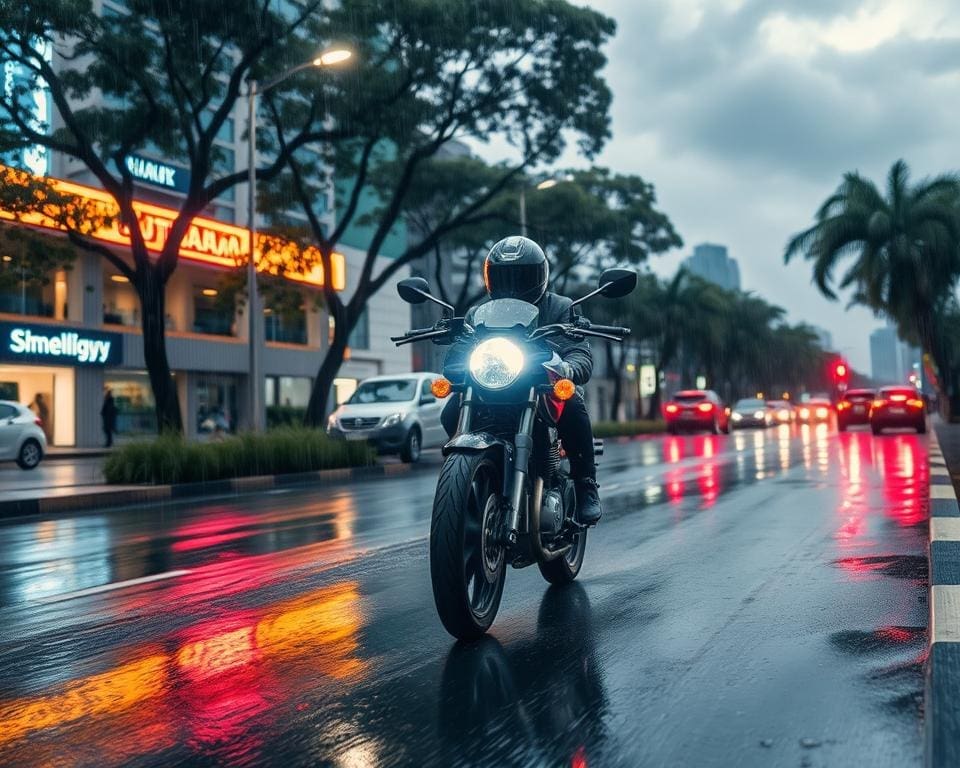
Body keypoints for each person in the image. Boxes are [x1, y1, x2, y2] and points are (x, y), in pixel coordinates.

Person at [440, 236, 602, 525]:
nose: (512, 284)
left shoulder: (560, 307)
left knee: (573, 402)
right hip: (492, 384)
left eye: (522, 275)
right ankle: (465, 477)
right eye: (504, 276)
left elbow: (579, 353)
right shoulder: (480, 313)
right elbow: (460, 353)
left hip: (540, 383)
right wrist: (455, 349)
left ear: (539, 275)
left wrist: (569, 366)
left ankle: (585, 483)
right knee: (451, 409)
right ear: (491, 277)